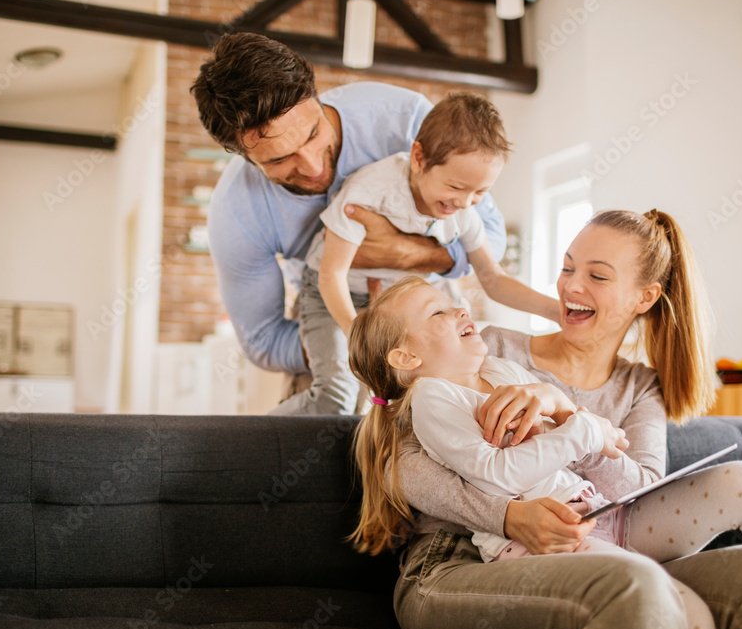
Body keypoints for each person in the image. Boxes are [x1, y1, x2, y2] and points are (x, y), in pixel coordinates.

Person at [346, 210, 742, 629]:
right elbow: (400, 457)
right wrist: (508, 516)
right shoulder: (492, 348)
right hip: (460, 553)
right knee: (632, 582)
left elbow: (636, 491)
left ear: (644, 298)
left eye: (597, 275)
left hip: (591, 534)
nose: (570, 286)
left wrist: (565, 411)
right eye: (567, 268)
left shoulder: (640, 386)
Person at [190, 33, 507, 404]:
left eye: (313, 133)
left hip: (431, 314)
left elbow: (491, 240)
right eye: (278, 160)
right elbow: (263, 342)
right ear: (242, 155)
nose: (311, 166)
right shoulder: (238, 213)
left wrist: (404, 255)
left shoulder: (404, 122)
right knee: (327, 423)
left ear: (316, 94)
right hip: (323, 319)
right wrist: (352, 343)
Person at [285, 92, 560, 415]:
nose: (465, 202)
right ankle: (253, 436)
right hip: (333, 291)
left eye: (481, 193)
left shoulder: (464, 212)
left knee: (414, 391)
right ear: (418, 158)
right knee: (337, 395)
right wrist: (359, 336)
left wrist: (556, 312)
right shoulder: (372, 191)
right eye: (456, 187)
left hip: (395, 301)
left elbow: (493, 279)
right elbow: (331, 276)